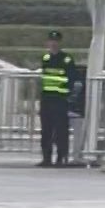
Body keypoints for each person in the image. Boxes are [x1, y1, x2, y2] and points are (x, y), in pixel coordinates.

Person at [39, 31, 73, 168]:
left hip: (60, 100)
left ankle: (61, 157)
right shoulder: (46, 58)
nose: (53, 44)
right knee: (46, 130)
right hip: (47, 99)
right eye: (51, 41)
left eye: (56, 41)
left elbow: (71, 79)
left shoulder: (66, 59)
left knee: (60, 130)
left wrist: (69, 97)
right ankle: (46, 158)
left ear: (59, 43)